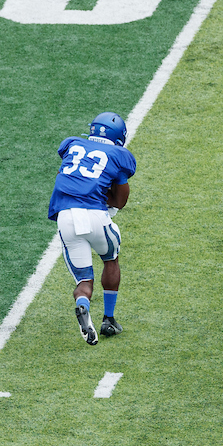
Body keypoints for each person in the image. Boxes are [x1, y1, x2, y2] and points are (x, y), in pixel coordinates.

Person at [49, 111, 136, 345]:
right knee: (110, 259)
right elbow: (120, 201)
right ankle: (109, 319)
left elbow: (64, 177)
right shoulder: (119, 155)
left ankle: (83, 304)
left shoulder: (72, 145)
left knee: (84, 282)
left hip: (66, 217)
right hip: (95, 215)